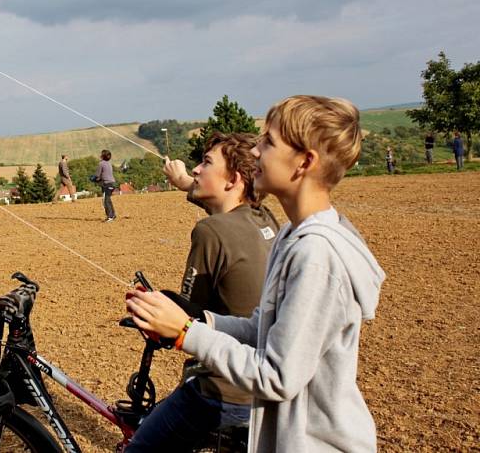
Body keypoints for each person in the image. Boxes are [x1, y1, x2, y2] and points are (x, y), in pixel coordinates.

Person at [127, 95, 386, 453]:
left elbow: (276, 376)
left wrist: (187, 333)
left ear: (304, 162)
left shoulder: (315, 255)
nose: (255, 152)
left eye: (268, 142)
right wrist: (200, 321)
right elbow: (261, 326)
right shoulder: (289, 234)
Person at [126, 133, 279, 453]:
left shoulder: (210, 231)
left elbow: (186, 319)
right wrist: (182, 180)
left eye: (206, 163)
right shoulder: (263, 216)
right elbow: (224, 202)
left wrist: (152, 312)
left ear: (233, 179)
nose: (196, 170)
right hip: (259, 390)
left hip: (220, 391)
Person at [94, 149, 116, 222]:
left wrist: (93, 179)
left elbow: (97, 175)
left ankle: (110, 217)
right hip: (111, 183)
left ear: (102, 156)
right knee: (108, 199)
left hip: (107, 184)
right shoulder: (109, 163)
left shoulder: (101, 163)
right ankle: (113, 215)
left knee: (105, 201)